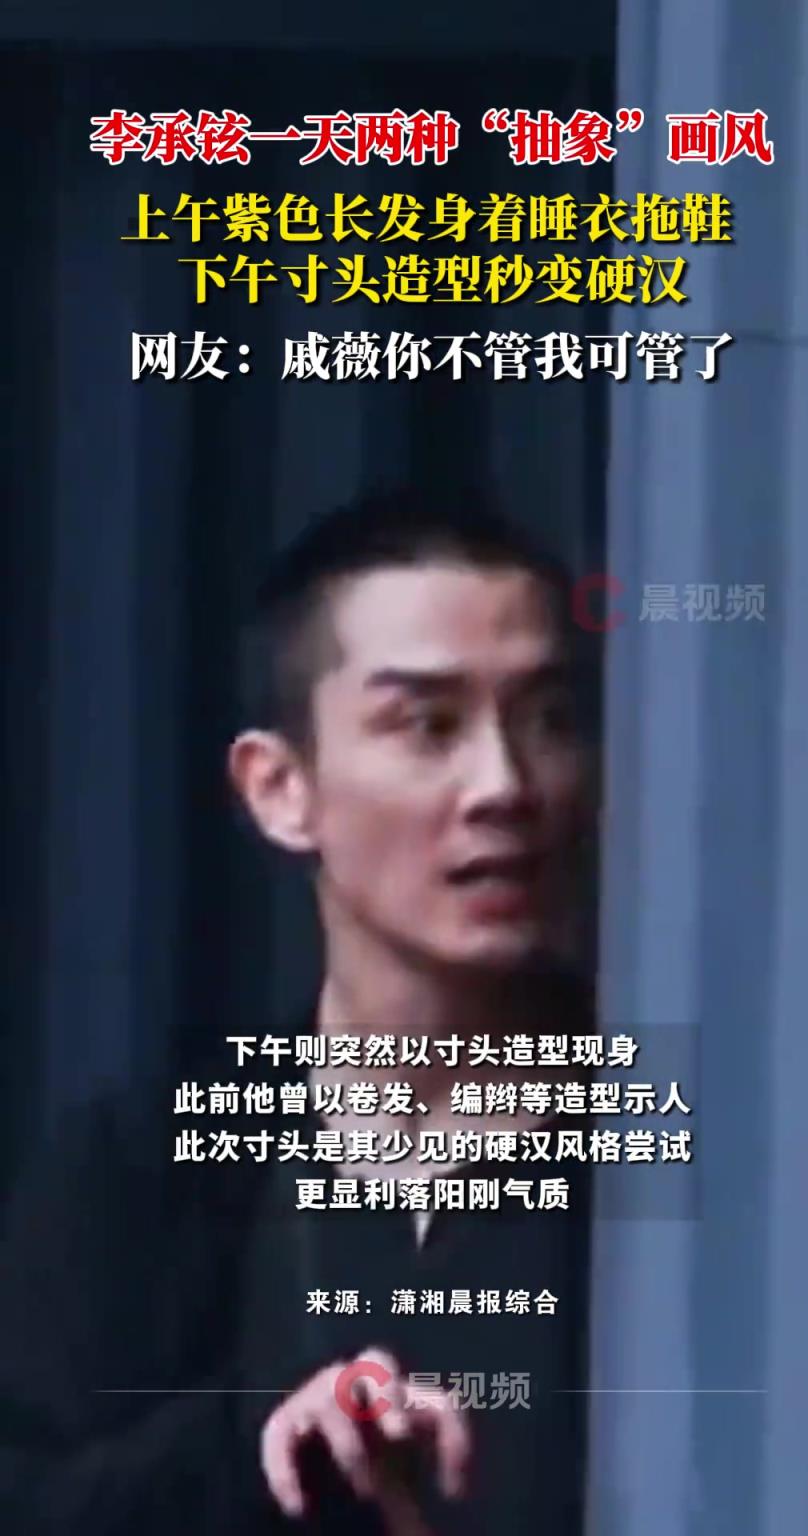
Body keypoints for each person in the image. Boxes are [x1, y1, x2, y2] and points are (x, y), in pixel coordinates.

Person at [0, 487, 600, 1534]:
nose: (505, 785)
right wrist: (260, 1446)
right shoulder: (143, 1177)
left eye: (548, 718)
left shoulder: (708, 1166)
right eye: (429, 725)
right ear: (280, 789)